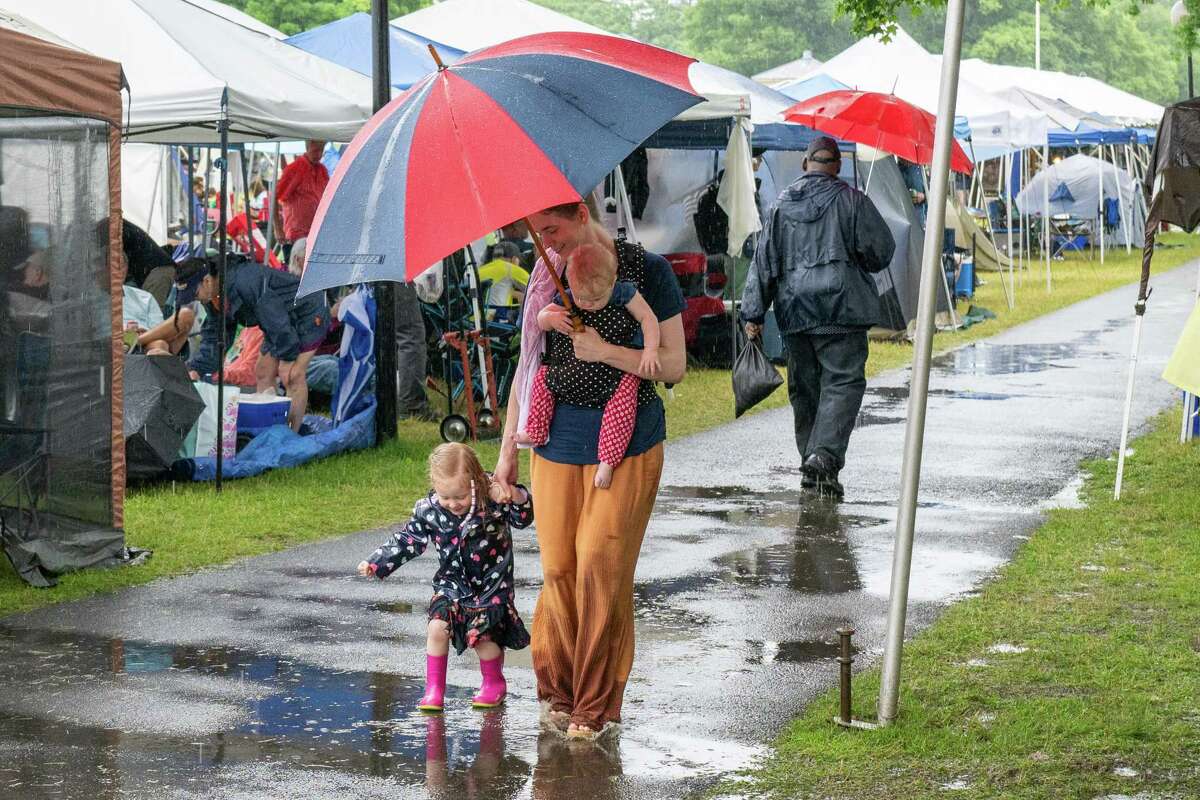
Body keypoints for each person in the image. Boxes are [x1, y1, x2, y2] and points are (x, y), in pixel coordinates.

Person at [491, 200, 686, 740]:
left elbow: (673, 365)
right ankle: (559, 689)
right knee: (558, 569)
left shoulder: (647, 272)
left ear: (582, 213)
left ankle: (596, 705)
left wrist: (607, 352)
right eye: (537, 234)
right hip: (555, 444)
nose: (547, 244)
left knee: (600, 562)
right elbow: (531, 368)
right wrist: (507, 451)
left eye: (552, 229)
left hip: (627, 443)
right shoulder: (546, 280)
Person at [741, 135, 896, 499]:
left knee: (806, 391)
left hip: (796, 313)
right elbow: (881, 253)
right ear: (837, 166)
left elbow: (763, 262)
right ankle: (822, 456)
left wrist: (753, 313)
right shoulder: (853, 200)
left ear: (805, 164)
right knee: (842, 384)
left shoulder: (780, 206)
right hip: (843, 312)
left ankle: (814, 468)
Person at [357, 443, 533, 712]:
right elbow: (408, 539)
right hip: (451, 585)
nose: (453, 504)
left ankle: (493, 682)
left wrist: (516, 495)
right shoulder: (431, 510)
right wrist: (377, 562)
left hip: (491, 587)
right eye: (445, 497)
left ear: (475, 482)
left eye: (460, 496)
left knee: (483, 638)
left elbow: (523, 518)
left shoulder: (494, 500)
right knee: (437, 629)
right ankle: (434, 689)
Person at [517, 242, 661, 490]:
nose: (588, 304)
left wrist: (649, 350)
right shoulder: (569, 296)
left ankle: (608, 460)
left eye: (596, 299)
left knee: (624, 405)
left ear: (613, 279)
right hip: (573, 369)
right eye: (581, 297)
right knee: (543, 379)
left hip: (615, 373)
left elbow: (648, 318)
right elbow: (540, 319)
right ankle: (536, 430)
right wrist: (551, 318)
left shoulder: (624, 293)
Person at [176, 255, 329, 431]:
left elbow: (276, 319)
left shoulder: (244, 282)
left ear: (207, 280)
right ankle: (267, 430)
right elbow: (215, 337)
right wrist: (197, 368)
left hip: (309, 310)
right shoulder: (213, 296)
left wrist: (287, 357)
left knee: (292, 375)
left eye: (194, 294)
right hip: (281, 319)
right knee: (263, 371)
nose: (196, 300)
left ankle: (289, 436)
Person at [121, 253, 194, 355]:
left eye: (121, 266)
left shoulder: (145, 297)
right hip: (112, 343)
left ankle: (134, 342)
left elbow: (158, 330)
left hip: (144, 342)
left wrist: (142, 334)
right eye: (113, 266)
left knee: (186, 315)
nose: (117, 271)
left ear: (126, 268)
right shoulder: (94, 299)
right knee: (160, 346)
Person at [272, 140, 328, 264]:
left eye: (321, 150)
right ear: (307, 148)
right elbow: (273, 197)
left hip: (316, 233)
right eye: (315, 151)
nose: (318, 154)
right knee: (296, 274)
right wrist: (277, 228)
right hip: (296, 236)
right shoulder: (294, 169)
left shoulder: (323, 170)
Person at [476, 240, 530, 320]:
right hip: (495, 320)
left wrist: (513, 293)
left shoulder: (480, 270)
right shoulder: (510, 269)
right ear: (514, 259)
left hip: (474, 319)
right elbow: (534, 286)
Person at [898, 157, 928, 228]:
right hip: (905, 215)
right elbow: (898, 193)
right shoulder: (898, 169)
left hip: (921, 216)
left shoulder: (919, 168)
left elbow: (929, 192)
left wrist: (924, 196)